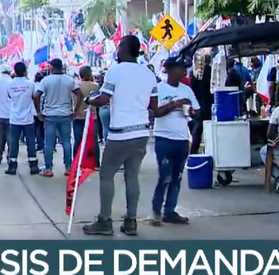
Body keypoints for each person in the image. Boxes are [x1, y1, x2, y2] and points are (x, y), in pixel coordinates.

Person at [83, 35, 158, 236]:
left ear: (124, 50)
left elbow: (104, 99)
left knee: (106, 174)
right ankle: (131, 221)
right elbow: (154, 107)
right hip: (141, 132)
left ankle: (105, 220)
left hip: (120, 133)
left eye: (119, 47)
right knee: (132, 175)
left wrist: (89, 101)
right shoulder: (148, 73)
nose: (116, 51)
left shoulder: (115, 71)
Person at [150, 57, 198, 226]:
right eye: (179, 69)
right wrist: (174, 104)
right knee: (165, 176)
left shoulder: (187, 90)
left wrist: (191, 111)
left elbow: (197, 111)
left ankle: (169, 211)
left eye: (183, 69)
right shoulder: (158, 89)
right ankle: (156, 210)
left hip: (181, 138)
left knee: (177, 177)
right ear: (169, 70)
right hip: (164, 138)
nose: (183, 72)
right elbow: (156, 112)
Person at [34, 58, 82, 177]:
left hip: (50, 115)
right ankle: (69, 167)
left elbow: (36, 95)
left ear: (51, 67)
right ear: (62, 67)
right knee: (66, 141)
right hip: (65, 114)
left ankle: (48, 168)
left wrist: (39, 112)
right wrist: (76, 110)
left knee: (49, 143)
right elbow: (79, 94)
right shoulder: (69, 80)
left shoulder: (46, 81)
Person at [5, 62, 39, 175]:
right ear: (25, 71)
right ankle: (33, 165)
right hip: (28, 118)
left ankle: (12, 166)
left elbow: (9, 96)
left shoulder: (10, 84)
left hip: (14, 118)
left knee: (14, 142)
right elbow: (34, 97)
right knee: (30, 142)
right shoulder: (30, 84)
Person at [73, 66, 99, 150]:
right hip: (91, 116)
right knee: (93, 141)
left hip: (78, 116)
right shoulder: (94, 86)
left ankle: (77, 160)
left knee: (78, 141)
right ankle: (95, 161)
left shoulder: (75, 85)